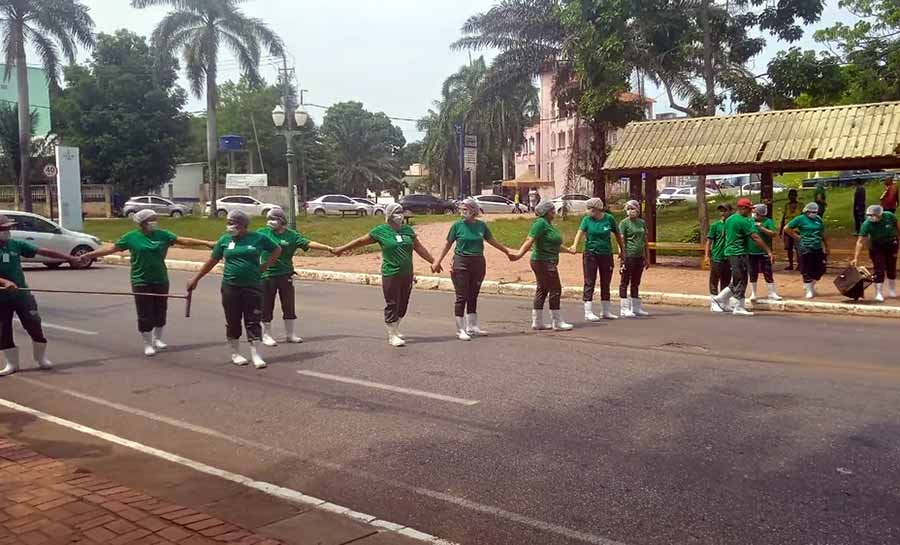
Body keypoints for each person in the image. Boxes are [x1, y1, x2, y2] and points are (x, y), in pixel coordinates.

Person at [81, 210, 215, 357]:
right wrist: (89, 255)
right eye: (152, 219)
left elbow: (184, 241)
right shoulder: (131, 237)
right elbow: (111, 249)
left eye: (155, 219)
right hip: (141, 280)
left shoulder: (163, 235)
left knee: (161, 309)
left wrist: (206, 243)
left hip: (161, 279)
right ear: (142, 223)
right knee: (145, 313)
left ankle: (157, 339)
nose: (155, 222)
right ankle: (147, 343)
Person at [186, 210, 281, 368]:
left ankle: (256, 355)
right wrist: (196, 279)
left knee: (253, 320)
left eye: (233, 223)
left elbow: (277, 249)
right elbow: (212, 260)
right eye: (228, 223)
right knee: (233, 320)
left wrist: (265, 266)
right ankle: (235, 353)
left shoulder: (258, 238)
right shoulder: (224, 240)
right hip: (231, 287)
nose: (229, 226)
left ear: (243, 225)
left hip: (253, 286)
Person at [333, 203, 437, 347]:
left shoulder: (408, 230)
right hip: (391, 273)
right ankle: (392, 335)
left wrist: (433, 262)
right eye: (396, 212)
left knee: (403, 304)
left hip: (407, 273)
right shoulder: (381, 231)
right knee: (392, 303)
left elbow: (419, 248)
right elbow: (361, 241)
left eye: (401, 212)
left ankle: (396, 328)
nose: (399, 215)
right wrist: (342, 249)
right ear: (389, 214)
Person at [0, 214, 82, 376]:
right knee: (3, 331)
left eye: (9, 228)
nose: (7, 231)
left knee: (34, 323)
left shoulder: (15, 244)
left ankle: (40, 358)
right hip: (1, 298)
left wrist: (69, 258)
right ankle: (12, 364)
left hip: (21, 294)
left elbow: (42, 251)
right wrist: (4, 283)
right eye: (4, 229)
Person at [432, 198, 513, 340]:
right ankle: (460, 329)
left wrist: (506, 252)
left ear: (474, 211)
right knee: (462, 296)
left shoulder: (481, 226)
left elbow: (492, 241)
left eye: (466, 209)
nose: (463, 212)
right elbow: (448, 244)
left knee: (473, 295)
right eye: (461, 209)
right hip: (461, 262)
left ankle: (472, 326)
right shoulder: (457, 226)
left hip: (478, 262)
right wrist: (437, 261)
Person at [257, 208, 334, 347]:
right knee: (266, 305)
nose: (270, 222)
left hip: (285, 273)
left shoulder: (291, 236)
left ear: (281, 220)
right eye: (268, 219)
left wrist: (327, 247)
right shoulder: (262, 233)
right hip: (267, 275)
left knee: (288, 304)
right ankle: (266, 335)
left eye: (273, 219)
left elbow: (308, 243)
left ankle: (290, 334)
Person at [509, 201, 577, 330]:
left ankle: (538, 322)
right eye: (552, 210)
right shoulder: (540, 223)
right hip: (543, 261)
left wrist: (568, 250)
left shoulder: (547, 224)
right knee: (555, 289)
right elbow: (530, 240)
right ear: (546, 212)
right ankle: (557, 322)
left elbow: (553, 244)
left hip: (546, 261)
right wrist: (519, 255)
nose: (554, 212)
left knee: (543, 289)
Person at [713, 198, 774, 316]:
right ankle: (738, 306)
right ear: (742, 208)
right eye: (748, 209)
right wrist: (768, 250)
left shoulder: (729, 219)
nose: (750, 212)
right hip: (738, 252)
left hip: (730, 251)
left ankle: (720, 298)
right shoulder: (742, 221)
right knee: (742, 279)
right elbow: (755, 237)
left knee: (737, 279)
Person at [569, 197, 624, 321]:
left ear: (597, 209)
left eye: (590, 209)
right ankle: (588, 311)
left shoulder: (609, 219)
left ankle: (605, 311)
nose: (588, 211)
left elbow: (617, 235)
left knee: (606, 281)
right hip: (590, 254)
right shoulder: (586, 220)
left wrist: (622, 250)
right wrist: (574, 245)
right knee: (590, 281)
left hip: (606, 254)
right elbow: (580, 233)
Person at [852, 205, 899, 302]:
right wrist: (856, 257)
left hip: (891, 244)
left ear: (880, 215)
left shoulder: (889, 216)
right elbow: (860, 242)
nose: (870, 217)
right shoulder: (866, 224)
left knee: (891, 267)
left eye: (873, 215)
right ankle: (879, 292)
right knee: (879, 269)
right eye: (869, 215)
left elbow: (897, 226)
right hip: (876, 246)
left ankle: (892, 289)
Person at [785, 203, 829, 299]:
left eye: (815, 212)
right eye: (812, 212)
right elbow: (787, 228)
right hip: (805, 246)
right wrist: (797, 237)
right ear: (807, 211)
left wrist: (826, 246)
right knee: (807, 268)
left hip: (817, 246)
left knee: (821, 268)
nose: (814, 214)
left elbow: (822, 233)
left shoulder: (818, 220)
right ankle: (809, 290)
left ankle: (811, 285)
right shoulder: (800, 219)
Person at [618, 200, 652, 318]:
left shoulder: (641, 223)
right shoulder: (624, 223)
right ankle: (624, 308)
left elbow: (645, 241)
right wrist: (622, 254)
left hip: (640, 256)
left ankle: (636, 307)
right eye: (629, 208)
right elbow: (621, 240)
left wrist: (647, 257)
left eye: (633, 208)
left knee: (636, 282)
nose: (631, 211)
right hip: (629, 255)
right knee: (625, 281)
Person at [749, 204, 782, 301]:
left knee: (767, 272)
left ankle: (771, 293)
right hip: (751, 251)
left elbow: (773, 234)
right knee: (752, 272)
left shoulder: (768, 221)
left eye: (755, 213)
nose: (753, 214)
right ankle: (753, 293)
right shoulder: (750, 221)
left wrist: (762, 228)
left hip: (764, 251)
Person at [705, 204, 733, 311]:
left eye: (725, 210)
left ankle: (723, 301)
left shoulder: (732, 225)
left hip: (728, 257)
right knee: (714, 279)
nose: (722, 213)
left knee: (726, 280)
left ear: (730, 211)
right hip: (717, 256)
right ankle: (713, 301)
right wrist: (707, 255)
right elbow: (709, 241)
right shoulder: (715, 225)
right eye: (721, 211)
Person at [779, 189, 802, 270]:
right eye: (790, 195)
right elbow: (783, 217)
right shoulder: (786, 206)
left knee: (798, 247)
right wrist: (781, 229)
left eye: (793, 195)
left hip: (797, 230)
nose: (792, 197)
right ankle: (791, 264)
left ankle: (800, 264)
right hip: (787, 229)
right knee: (788, 248)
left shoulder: (801, 205)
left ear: (796, 196)